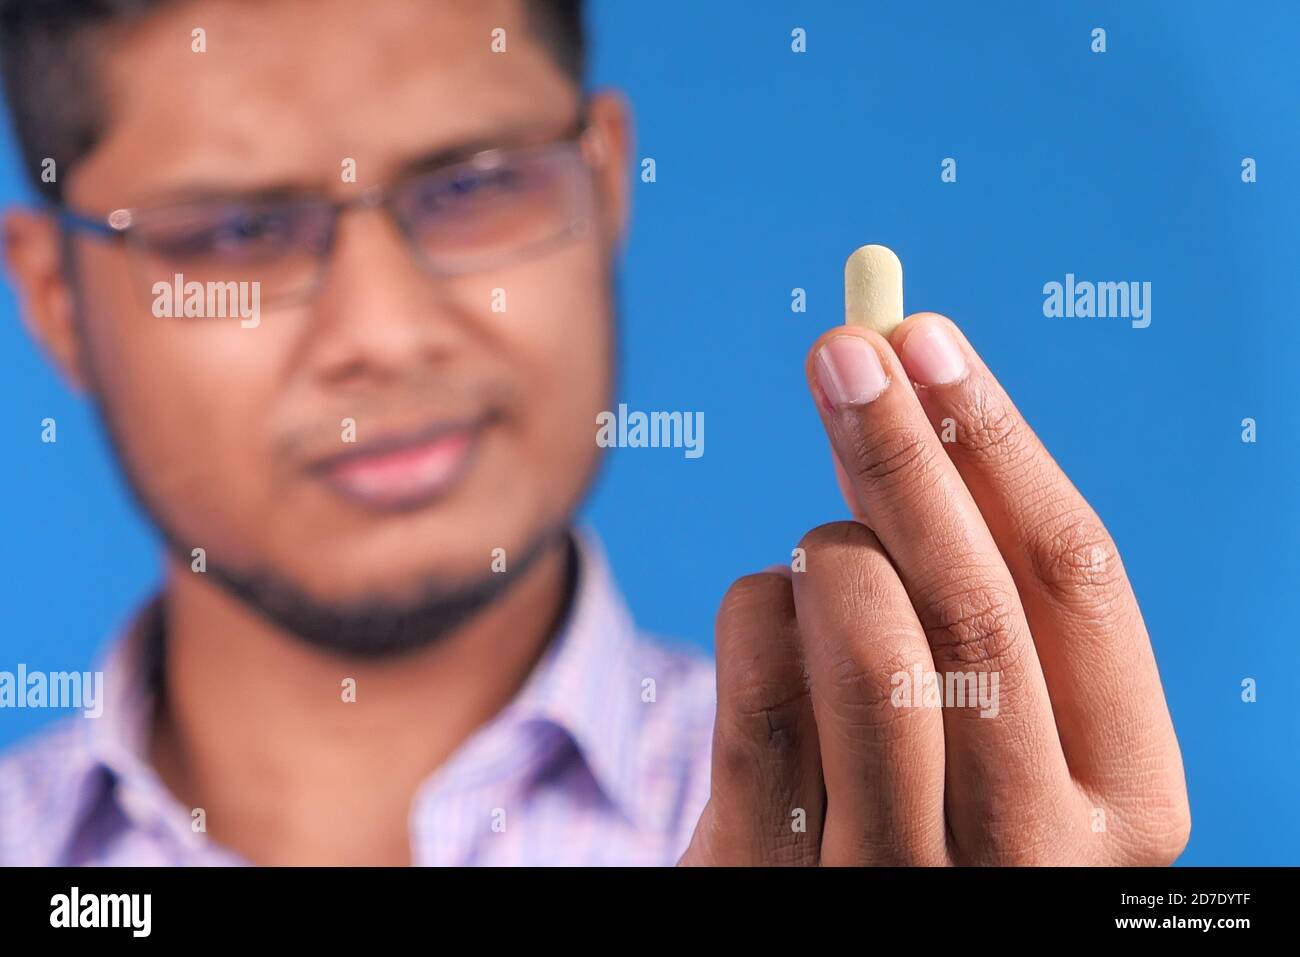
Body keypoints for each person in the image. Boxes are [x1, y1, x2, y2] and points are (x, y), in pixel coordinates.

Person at [0, 0, 1189, 866]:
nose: (385, 332)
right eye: (237, 231)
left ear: (604, 185)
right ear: (55, 296)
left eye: (471, 187)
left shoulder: (890, 821)